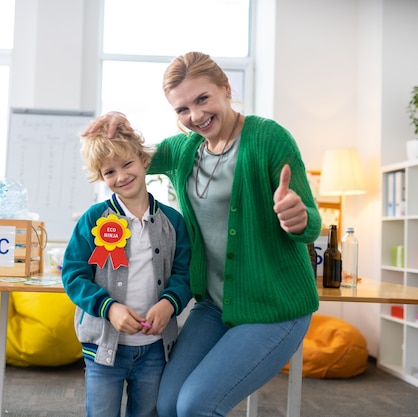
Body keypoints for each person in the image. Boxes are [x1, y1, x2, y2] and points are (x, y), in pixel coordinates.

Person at [85, 51, 321, 417]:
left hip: (274, 307)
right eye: (182, 109)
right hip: (213, 305)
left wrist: (298, 218)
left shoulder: (268, 138)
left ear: (226, 88)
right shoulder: (184, 150)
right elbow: (129, 158)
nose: (194, 116)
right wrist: (119, 125)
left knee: (196, 405)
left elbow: (311, 223)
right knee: (166, 404)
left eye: (202, 99)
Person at [62, 124, 192, 417]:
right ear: (101, 177)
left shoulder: (173, 221)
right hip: (103, 349)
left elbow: (185, 275)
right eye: (109, 172)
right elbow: (73, 275)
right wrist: (109, 308)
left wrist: (169, 303)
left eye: (127, 164)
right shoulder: (93, 218)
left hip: (156, 350)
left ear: (144, 160)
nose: (120, 176)